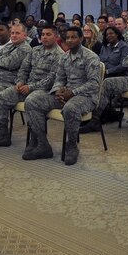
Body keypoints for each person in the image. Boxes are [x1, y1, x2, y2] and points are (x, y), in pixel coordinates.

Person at [23, 26, 102, 166]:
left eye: (73, 37)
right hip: (65, 94)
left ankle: (72, 146)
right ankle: (43, 144)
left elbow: (94, 84)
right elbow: (59, 78)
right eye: (67, 37)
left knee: (70, 108)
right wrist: (58, 91)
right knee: (33, 100)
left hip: (86, 97)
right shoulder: (64, 57)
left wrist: (73, 92)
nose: (69, 40)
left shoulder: (90, 57)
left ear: (81, 39)